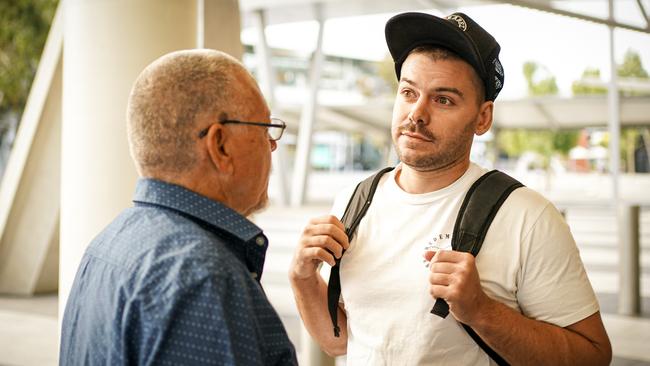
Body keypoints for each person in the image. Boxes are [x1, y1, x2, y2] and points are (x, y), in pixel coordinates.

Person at [289, 12, 612, 365]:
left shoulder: (527, 216)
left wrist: (481, 311)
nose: (416, 113)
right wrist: (302, 276)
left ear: (483, 118)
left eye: (443, 99)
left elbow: (592, 356)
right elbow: (340, 343)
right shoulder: (354, 200)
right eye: (409, 92)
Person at [60, 49, 297, 365]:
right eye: (264, 128)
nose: (272, 145)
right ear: (220, 145)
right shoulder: (203, 278)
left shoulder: (107, 244)